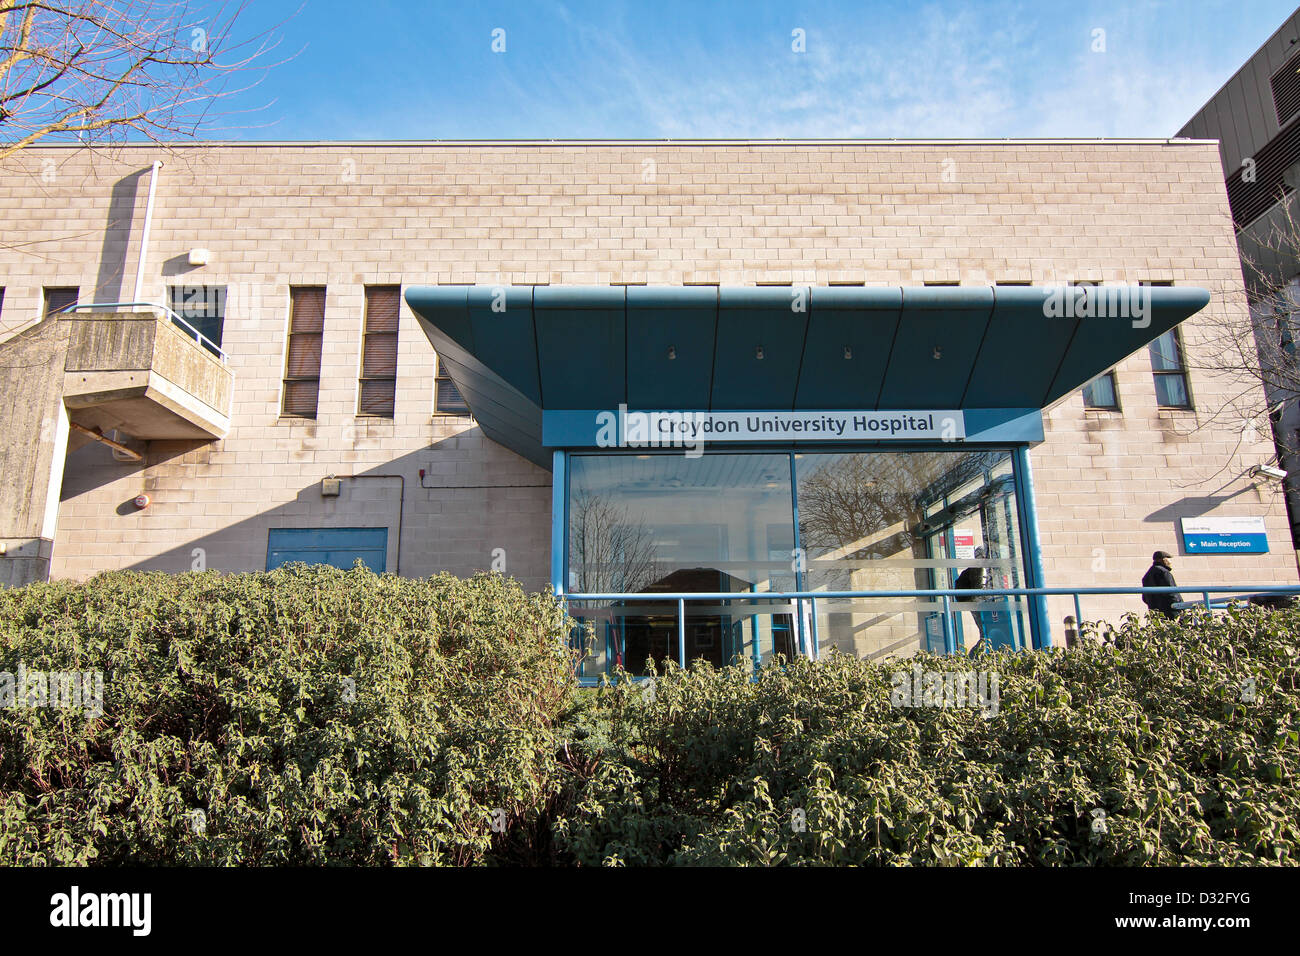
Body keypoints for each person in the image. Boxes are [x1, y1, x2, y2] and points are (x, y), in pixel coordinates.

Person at [955, 546, 989, 653]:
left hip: (974, 603)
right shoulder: (979, 568)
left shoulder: (974, 568)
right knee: (985, 633)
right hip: (977, 604)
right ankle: (975, 656)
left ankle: (976, 655)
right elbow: (979, 588)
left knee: (983, 632)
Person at [1141, 550, 1182, 619]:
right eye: (1168, 559)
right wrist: (1180, 607)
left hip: (1155, 613)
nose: (1170, 562)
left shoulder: (1147, 575)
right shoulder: (1164, 572)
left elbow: (1145, 598)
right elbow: (1172, 593)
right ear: (1163, 559)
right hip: (1170, 612)